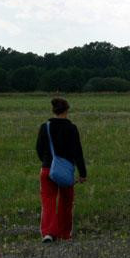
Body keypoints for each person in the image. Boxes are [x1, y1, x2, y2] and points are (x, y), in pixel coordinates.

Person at [35, 98, 87, 243]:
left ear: (53, 110)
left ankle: (48, 233)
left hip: (47, 169)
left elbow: (39, 149)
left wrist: (46, 162)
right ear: (66, 110)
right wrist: (82, 173)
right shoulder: (71, 128)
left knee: (48, 201)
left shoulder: (45, 127)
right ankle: (64, 234)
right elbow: (78, 152)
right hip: (65, 171)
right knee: (66, 201)